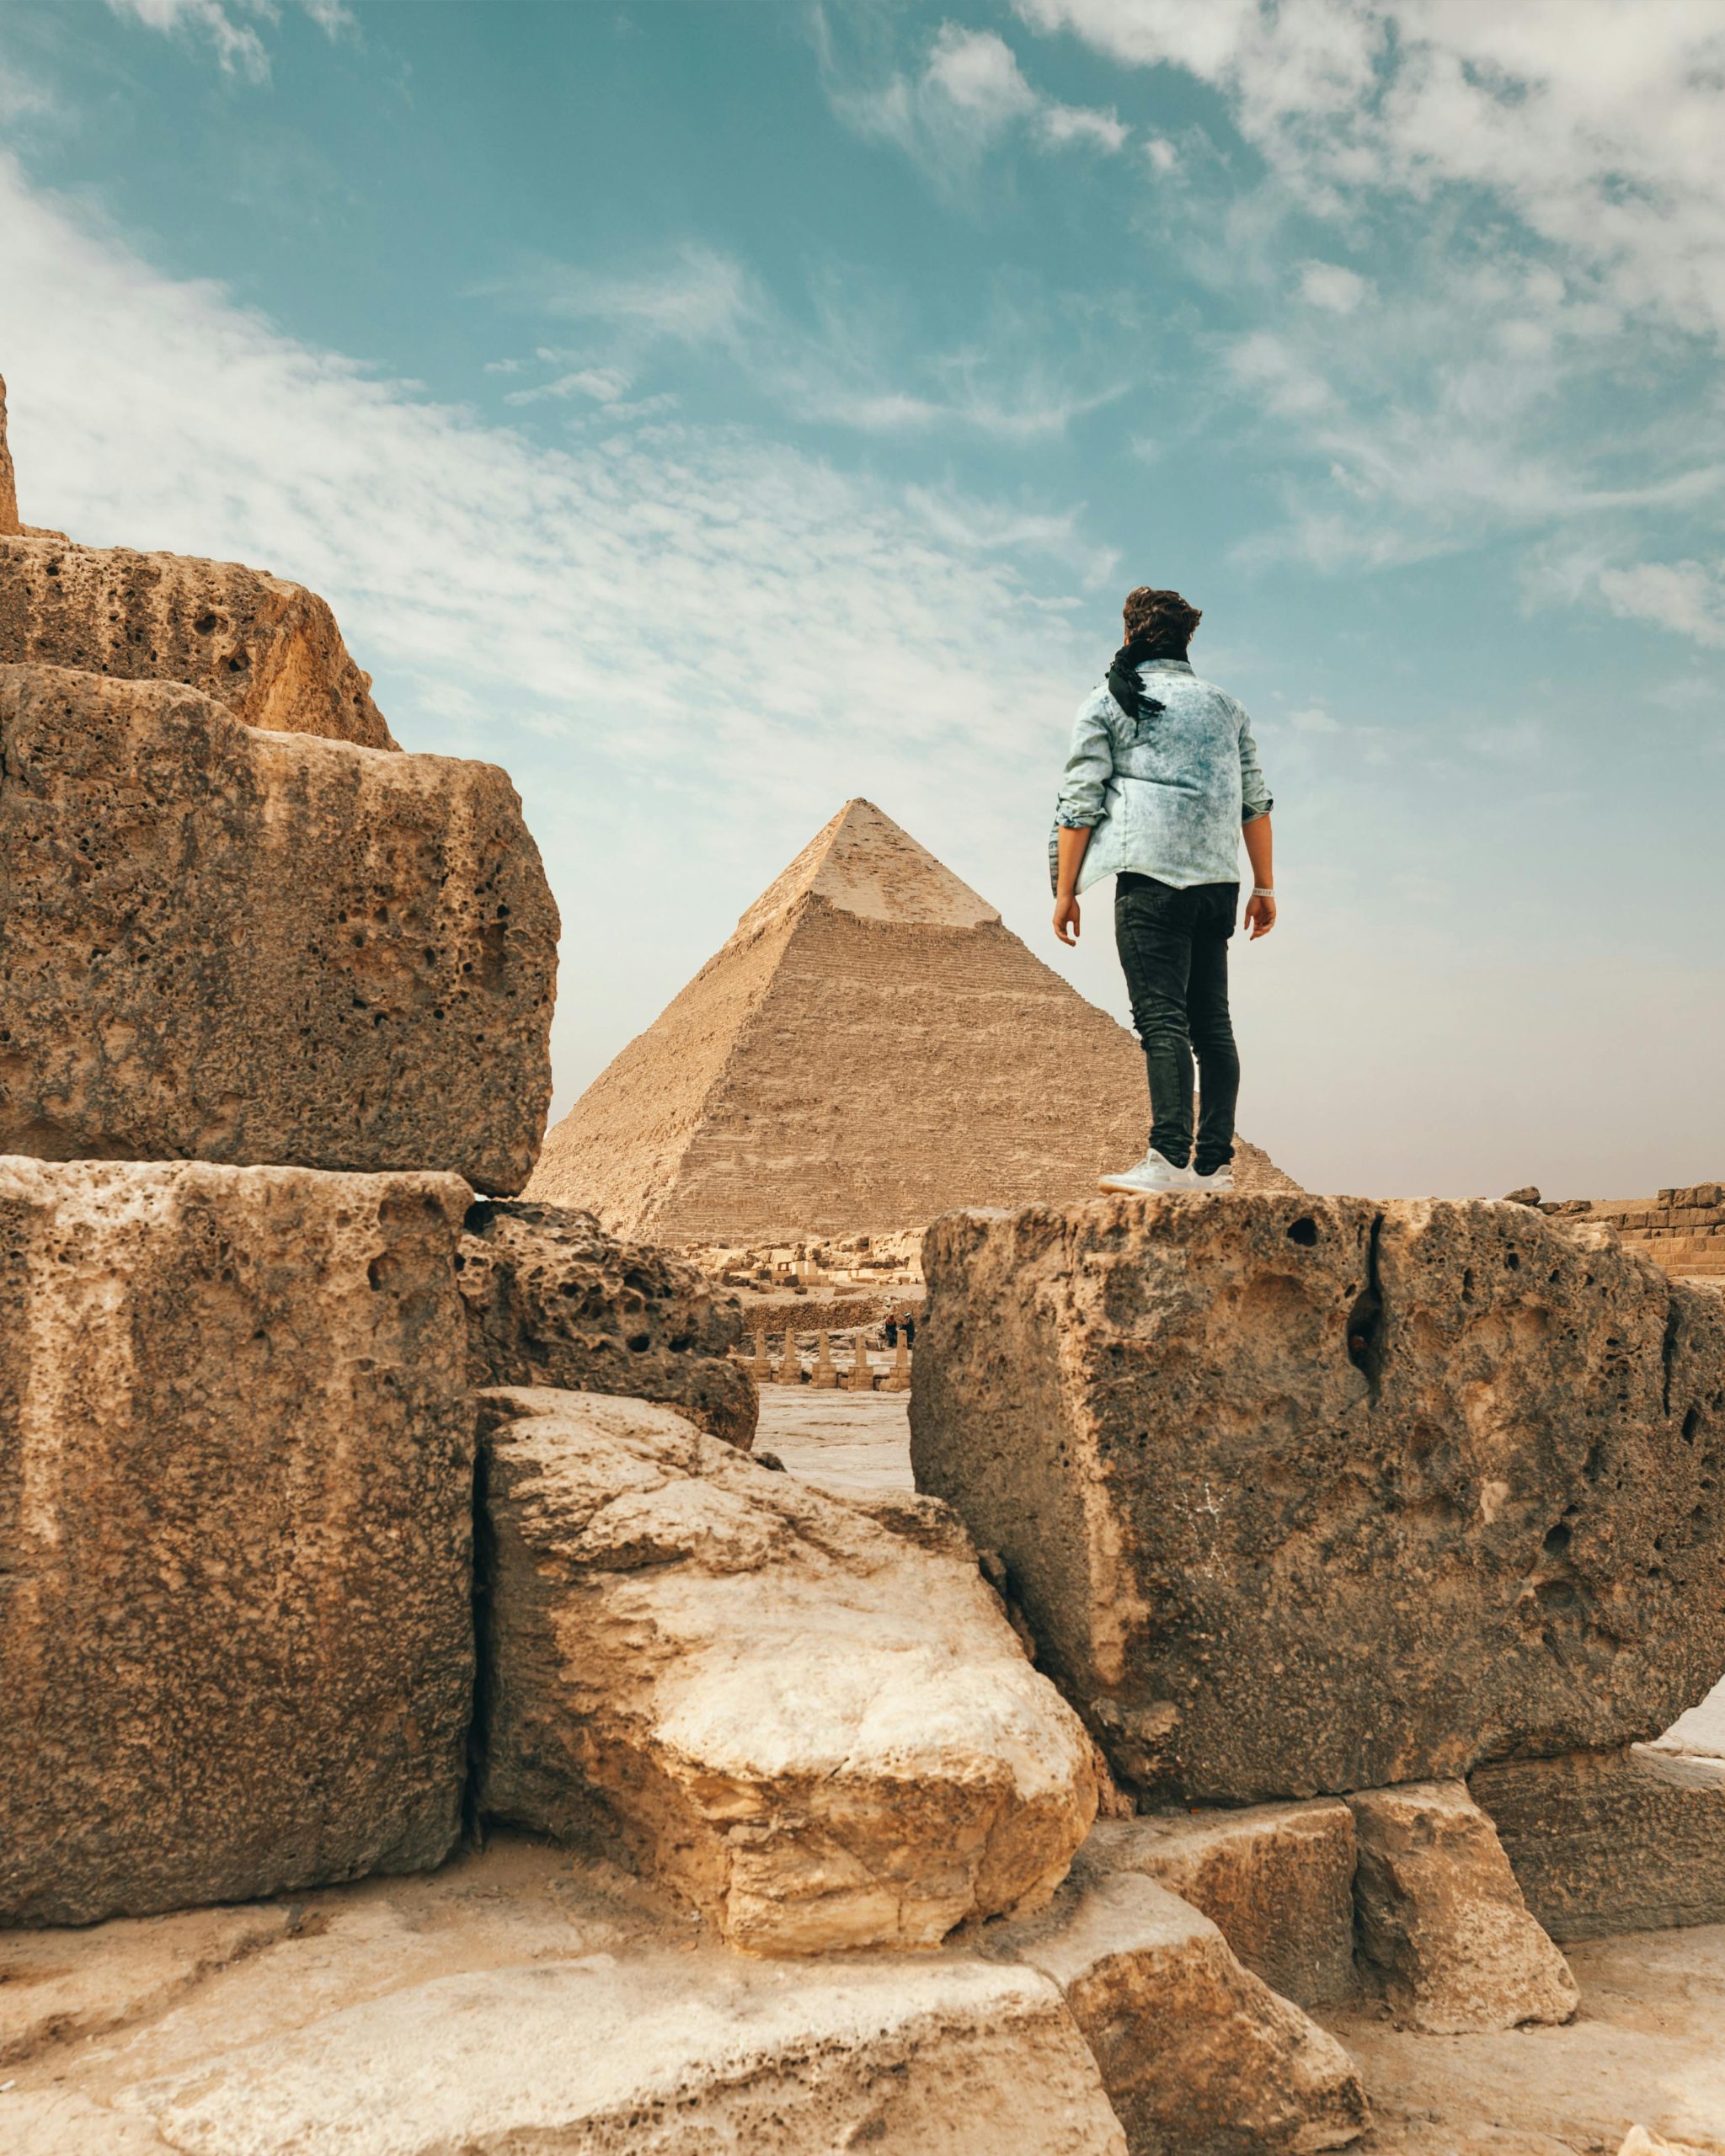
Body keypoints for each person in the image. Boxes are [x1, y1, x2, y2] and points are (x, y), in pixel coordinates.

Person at [1051, 585, 1274, 1195]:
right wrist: (1266, 886)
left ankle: (1169, 1159)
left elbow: (1079, 804)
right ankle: (1214, 1167)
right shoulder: (1227, 707)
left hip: (1150, 877)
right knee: (1214, 1027)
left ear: (1128, 635)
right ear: (1187, 639)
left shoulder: (1110, 701)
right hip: (1218, 884)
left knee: (1162, 1020)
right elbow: (1256, 802)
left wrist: (1065, 890)